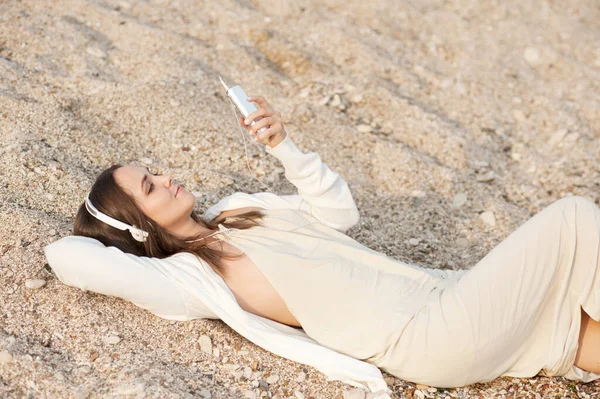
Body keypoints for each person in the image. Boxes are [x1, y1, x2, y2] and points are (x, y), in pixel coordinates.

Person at [50, 96, 600, 389]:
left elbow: (339, 212)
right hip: (424, 336)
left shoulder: (240, 209)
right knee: (573, 217)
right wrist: (113, 227)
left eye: (156, 170)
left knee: (578, 331)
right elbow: (67, 256)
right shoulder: (188, 280)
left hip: (447, 293)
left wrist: (285, 146)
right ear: (139, 224)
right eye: (151, 186)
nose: (168, 178)